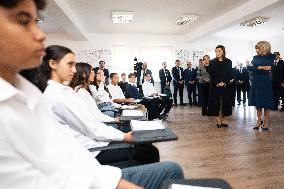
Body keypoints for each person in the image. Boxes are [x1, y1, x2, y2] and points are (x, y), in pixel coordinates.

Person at [0, 1, 184, 188]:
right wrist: (123, 135)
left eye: (36, 22)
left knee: (164, 163)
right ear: (53, 64)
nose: (41, 34)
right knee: (159, 160)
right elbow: (90, 129)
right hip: (92, 152)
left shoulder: (29, 93)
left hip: (86, 162)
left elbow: (69, 152)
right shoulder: (52, 96)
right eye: (23, 21)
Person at [248, 41, 276, 130]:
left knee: (266, 102)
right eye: (256, 48)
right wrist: (260, 67)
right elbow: (250, 67)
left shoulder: (271, 56)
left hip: (266, 81)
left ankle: (266, 121)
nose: (256, 50)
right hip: (256, 81)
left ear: (264, 47)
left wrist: (259, 67)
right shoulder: (255, 57)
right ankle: (259, 120)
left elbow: (271, 67)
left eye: (258, 48)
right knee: (258, 102)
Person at [208, 45, 232, 128]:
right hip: (215, 85)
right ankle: (218, 119)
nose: (218, 52)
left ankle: (224, 119)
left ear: (223, 52)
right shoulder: (212, 62)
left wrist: (224, 82)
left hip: (225, 85)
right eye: (216, 51)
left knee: (225, 103)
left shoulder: (228, 61)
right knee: (216, 103)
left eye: (219, 51)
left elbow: (229, 74)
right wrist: (217, 83)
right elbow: (211, 75)